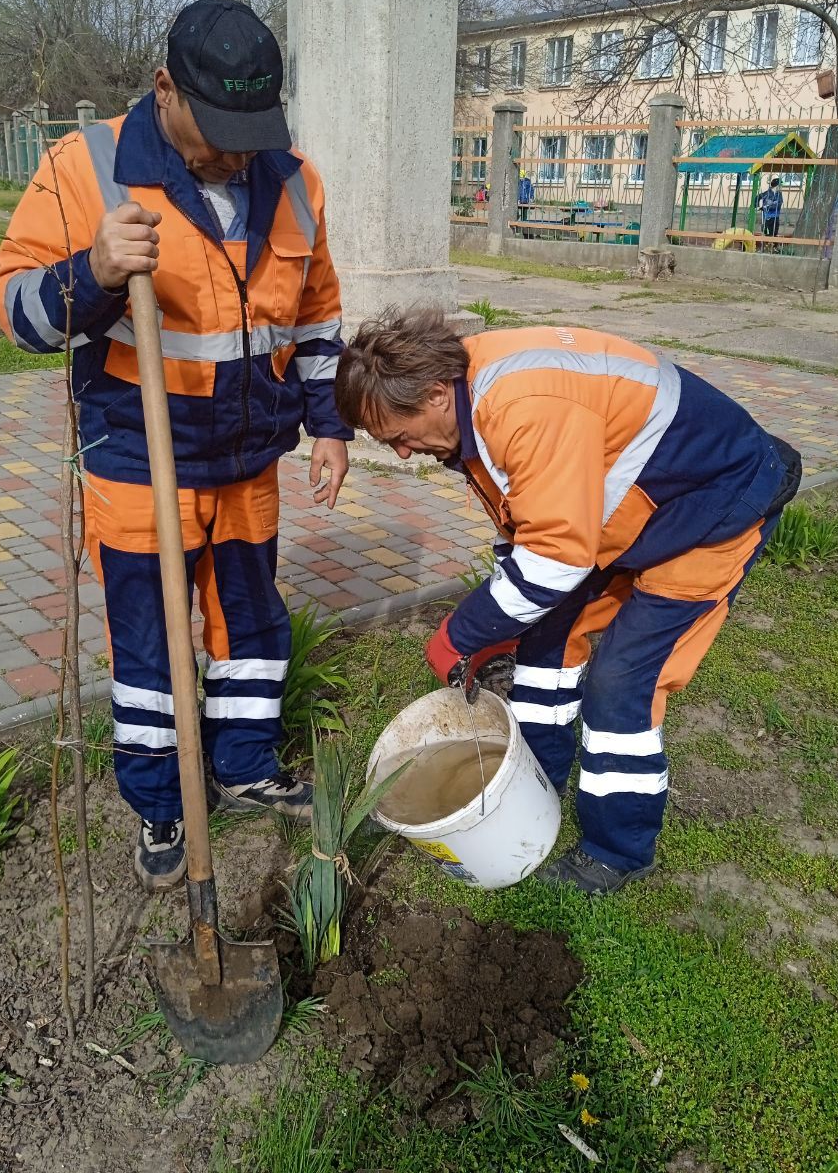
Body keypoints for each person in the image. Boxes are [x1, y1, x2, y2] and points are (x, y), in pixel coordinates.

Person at [0, 0, 352, 891]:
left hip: (248, 455)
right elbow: (17, 312)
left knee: (251, 625)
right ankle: (159, 802)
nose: (237, 153)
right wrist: (94, 273)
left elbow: (316, 316)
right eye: (221, 131)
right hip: (137, 458)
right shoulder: (88, 169)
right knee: (151, 644)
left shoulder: (293, 180)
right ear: (166, 90)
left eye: (252, 130)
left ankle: (242, 764)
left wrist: (330, 426)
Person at [335, 311, 801, 895]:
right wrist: (505, 622)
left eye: (398, 436)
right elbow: (527, 521)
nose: (402, 454)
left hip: (715, 506)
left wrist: (464, 631)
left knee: (621, 688)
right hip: (630, 517)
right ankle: (538, 782)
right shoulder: (466, 398)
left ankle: (617, 851)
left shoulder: (520, 406)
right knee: (542, 649)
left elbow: (555, 559)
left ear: (433, 394)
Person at [758, 176, 783, 243]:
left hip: (776, 216)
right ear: (776, 186)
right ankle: (766, 246)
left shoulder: (779, 194)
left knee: (774, 233)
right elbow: (758, 197)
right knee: (767, 232)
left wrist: (768, 206)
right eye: (780, 185)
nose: (781, 187)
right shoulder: (767, 193)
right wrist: (757, 206)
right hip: (767, 217)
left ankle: (773, 246)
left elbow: (779, 204)